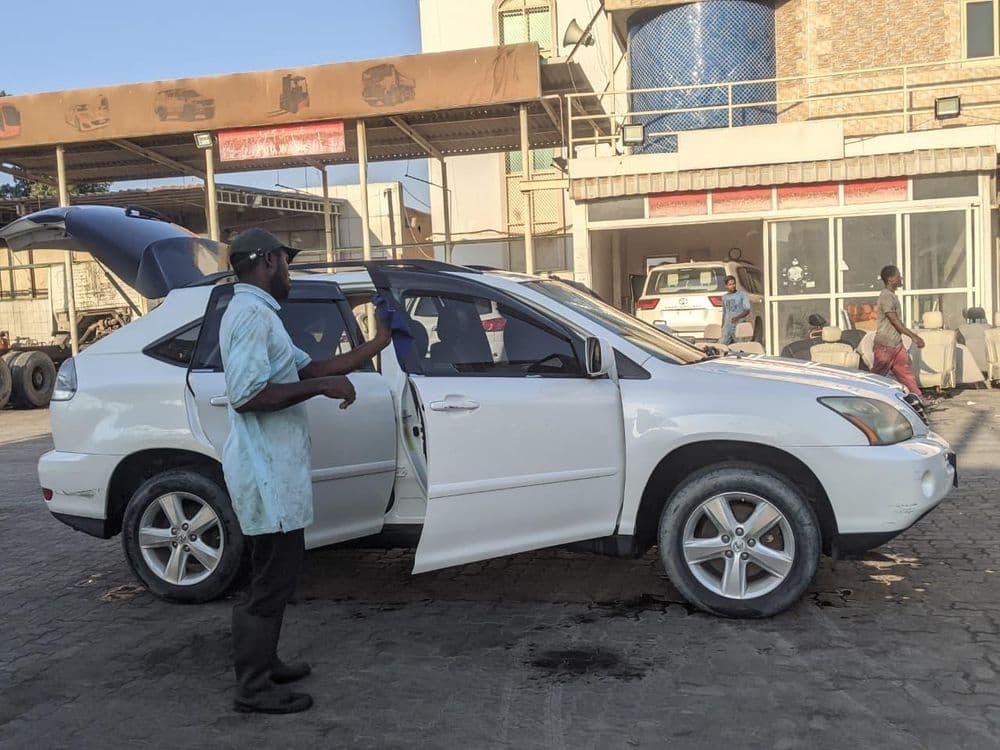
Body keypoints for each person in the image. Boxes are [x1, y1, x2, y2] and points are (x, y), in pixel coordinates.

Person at [220, 228, 392, 714]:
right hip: (264, 473)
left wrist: (376, 342)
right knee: (270, 581)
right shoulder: (251, 316)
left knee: (277, 573)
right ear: (269, 261)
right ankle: (252, 688)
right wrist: (323, 389)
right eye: (287, 264)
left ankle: (265, 663)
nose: (290, 274)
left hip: (275, 472)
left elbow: (312, 370)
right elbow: (248, 395)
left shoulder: (262, 316)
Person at [872, 264, 924, 398]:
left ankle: (918, 399)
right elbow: (894, 320)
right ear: (890, 280)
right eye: (898, 276)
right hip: (885, 344)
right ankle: (866, 399)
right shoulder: (886, 296)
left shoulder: (892, 295)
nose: (901, 278)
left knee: (906, 373)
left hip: (895, 343)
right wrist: (913, 336)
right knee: (876, 377)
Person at [720, 275, 751, 345]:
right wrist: (722, 326)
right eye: (730, 284)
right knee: (722, 345)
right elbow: (724, 313)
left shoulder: (742, 295)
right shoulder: (724, 297)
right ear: (726, 286)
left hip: (739, 325)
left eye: (734, 283)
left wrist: (737, 317)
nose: (733, 286)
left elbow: (747, 310)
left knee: (740, 346)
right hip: (727, 327)